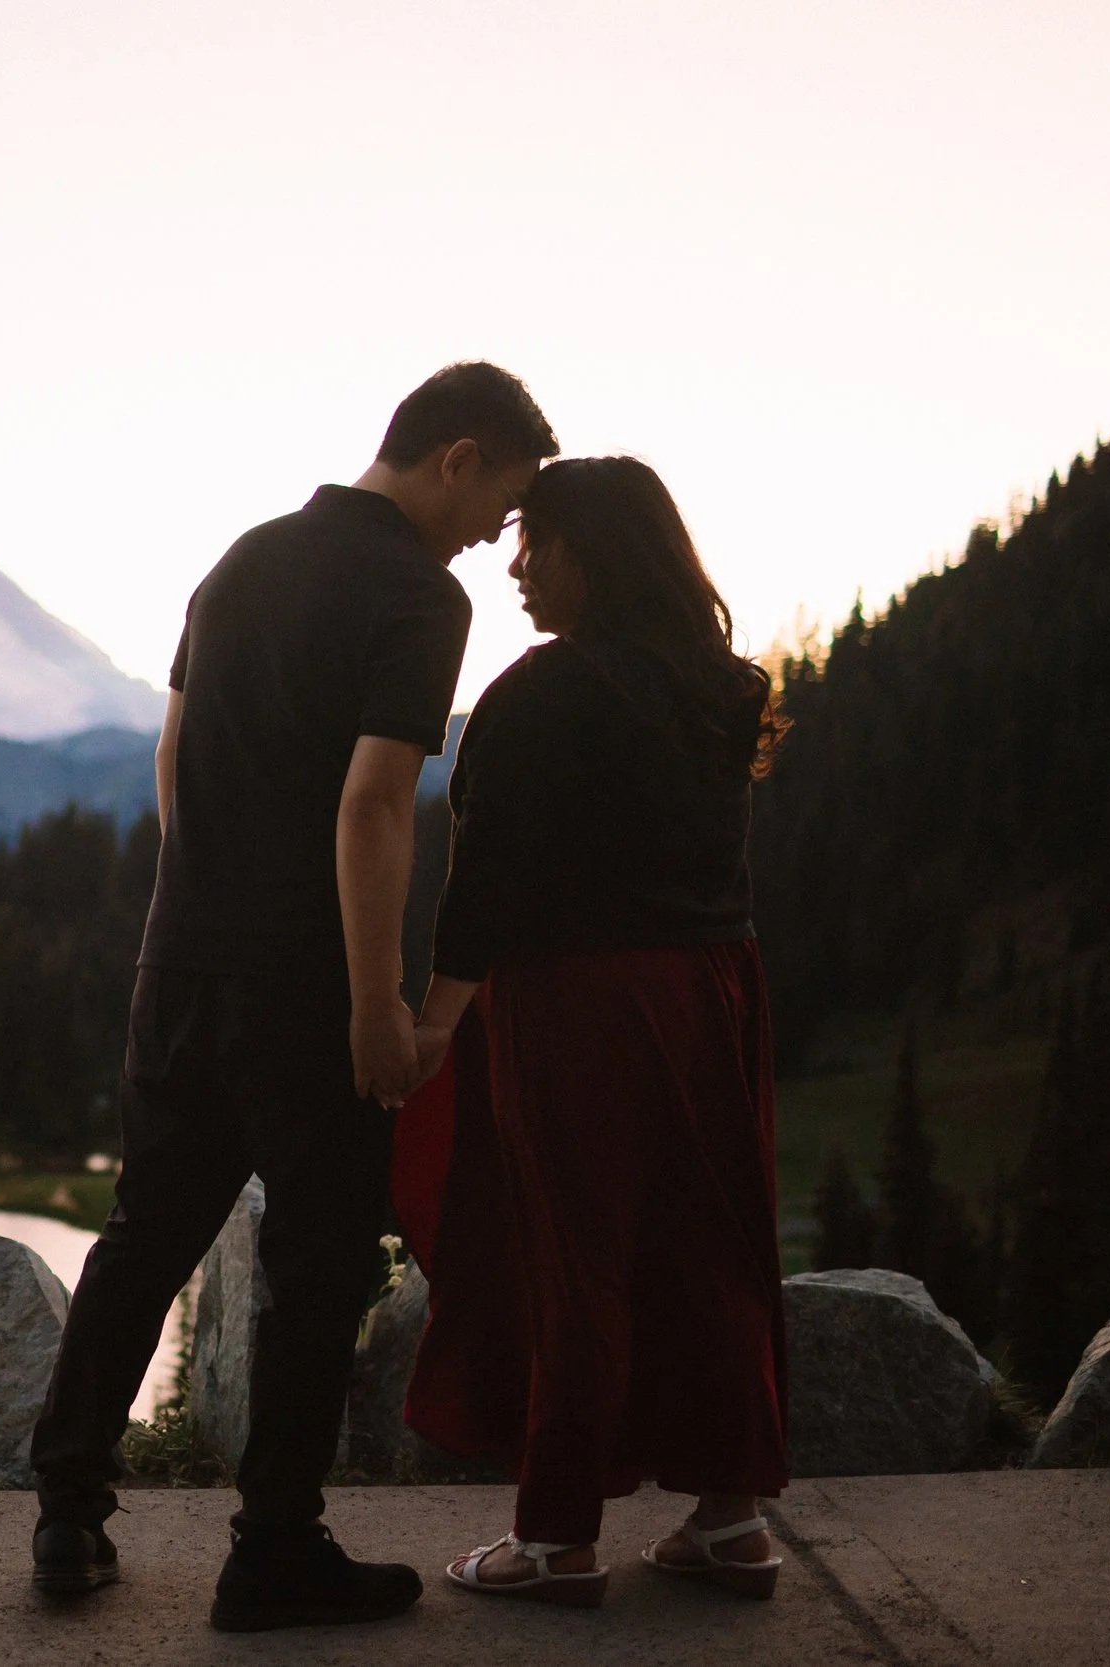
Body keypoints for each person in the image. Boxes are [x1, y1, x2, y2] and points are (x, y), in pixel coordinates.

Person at [28, 362, 557, 1631]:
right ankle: (272, 1548)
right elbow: (374, 802)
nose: (496, 535)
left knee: (145, 1229)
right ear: (458, 456)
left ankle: (66, 1511)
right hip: (305, 985)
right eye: (503, 501)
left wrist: (206, 894)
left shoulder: (243, 557)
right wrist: (377, 998)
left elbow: (172, 749)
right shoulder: (417, 599)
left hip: (182, 962)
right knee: (318, 1261)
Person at [400, 455, 791, 1607]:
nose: (517, 567)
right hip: (714, 987)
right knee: (710, 1243)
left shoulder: (535, 697)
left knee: (574, 1257)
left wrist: (429, 1027)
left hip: (576, 1002)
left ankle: (557, 1535)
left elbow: (484, 892)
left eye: (540, 543)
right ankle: (730, 1520)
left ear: (596, 553)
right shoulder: (724, 688)